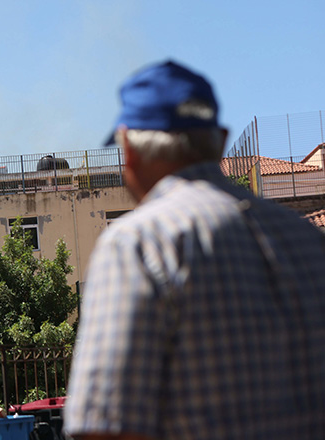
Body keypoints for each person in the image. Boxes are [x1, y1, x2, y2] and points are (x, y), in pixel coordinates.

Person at [64, 60, 325, 439]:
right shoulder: (308, 240)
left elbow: (106, 430)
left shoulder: (138, 243)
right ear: (220, 140)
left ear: (129, 150)